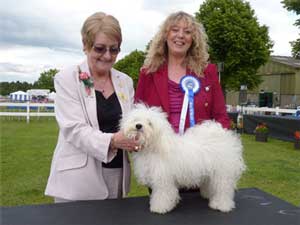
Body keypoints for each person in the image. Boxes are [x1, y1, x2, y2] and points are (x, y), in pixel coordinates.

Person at [45, 12, 141, 202]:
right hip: (76, 181)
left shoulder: (126, 82)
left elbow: (132, 124)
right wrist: (113, 141)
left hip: (116, 175)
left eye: (114, 50)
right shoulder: (66, 78)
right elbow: (74, 129)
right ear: (85, 45)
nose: (107, 56)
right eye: (100, 49)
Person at [135, 11, 230, 133]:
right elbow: (137, 114)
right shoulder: (148, 72)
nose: (180, 35)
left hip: (197, 149)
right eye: (175, 30)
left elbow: (221, 116)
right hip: (159, 150)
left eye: (187, 32)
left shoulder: (208, 71)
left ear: (194, 39)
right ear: (165, 35)